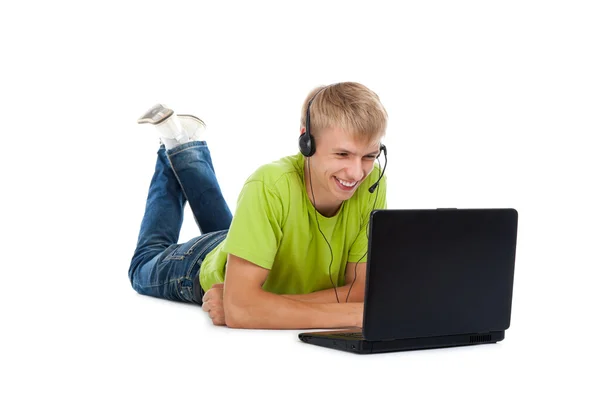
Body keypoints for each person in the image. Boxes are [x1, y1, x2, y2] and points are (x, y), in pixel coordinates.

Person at [128, 82, 388, 329]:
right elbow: (243, 311)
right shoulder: (269, 184)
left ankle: (185, 150)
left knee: (237, 242)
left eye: (369, 156)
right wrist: (352, 314)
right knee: (143, 265)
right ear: (307, 142)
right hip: (201, 264)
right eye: (342, 154)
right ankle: (174, 146)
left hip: (257, 252)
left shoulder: (373, 182)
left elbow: (359, 292)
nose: (356, 173)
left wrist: (253, 304)